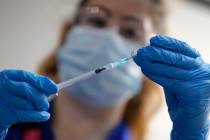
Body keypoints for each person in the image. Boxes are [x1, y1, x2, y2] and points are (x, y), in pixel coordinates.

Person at [1, 0, 209, 140]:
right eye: (97, 21)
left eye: (130, 31)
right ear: (67, 33)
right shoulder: (9, 123)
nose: (109, 37)